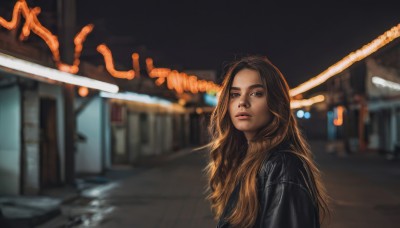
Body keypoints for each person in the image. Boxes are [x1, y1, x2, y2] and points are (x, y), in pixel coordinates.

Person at [205, 55, 331, 228]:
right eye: (234, 94)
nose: (242, 102)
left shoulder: (282, 167)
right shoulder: (247, 159)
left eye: (256, 93)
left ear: (276, 102)